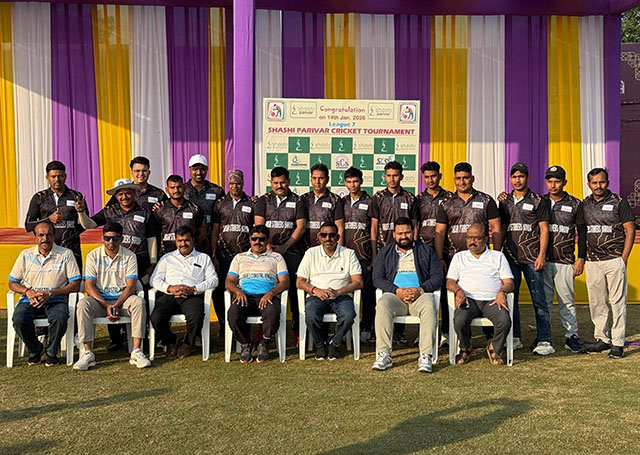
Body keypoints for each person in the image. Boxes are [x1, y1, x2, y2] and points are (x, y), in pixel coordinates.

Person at [77, 178, 159, 351]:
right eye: (120, 194)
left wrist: (153, 263)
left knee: (138, 298)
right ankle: (115, 340)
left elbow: (151, 238)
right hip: (111, 262)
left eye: (128, 193)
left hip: (139, 261)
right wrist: (81, 212)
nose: (124, 196)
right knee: (110, 292)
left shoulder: (145, 212)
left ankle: (140, 339)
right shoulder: (109, 211)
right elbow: (89, 224)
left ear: (134, 193)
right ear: (116, 196)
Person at [73, 222, 151, 370]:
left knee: (139, 302)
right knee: (83, 304)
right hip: (100, 301)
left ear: (121, 239)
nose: (111, 242)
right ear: (102, 239)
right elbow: (89, 285)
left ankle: (136, 351)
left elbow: (131, 286)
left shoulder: (129, 256)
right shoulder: (93, 256)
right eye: (107, 238)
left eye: (115, 239)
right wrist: (106, 305)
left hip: (123, 300)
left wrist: (116, 305)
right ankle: (87, 353)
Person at [371, 217, 443, 373]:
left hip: (420, 295)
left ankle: (425, 356)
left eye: (407, 232)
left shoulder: (426, 251)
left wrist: (420, 289)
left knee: (429, 304)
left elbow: (438, 277)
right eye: (400, 233)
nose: (403, 236)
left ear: (413, 232)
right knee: (383, 304)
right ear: (394, 235)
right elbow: (377, 278)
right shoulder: (385, 252)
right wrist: (396, 290)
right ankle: (383, 354)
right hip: (395, 295)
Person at [8, 221, 81, 366]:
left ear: (54, 236)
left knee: (60, 317)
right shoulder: (25, 255)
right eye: (41, 235)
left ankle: (51, 352)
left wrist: (51, 293)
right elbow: (12, 283)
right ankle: (35, 350)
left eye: (48, 235)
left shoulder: (65, 254)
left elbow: (75, 284)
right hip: (30, 299)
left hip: (56, 299)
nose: (45, 238)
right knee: (19, 319)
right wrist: (28, 292)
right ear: (35, 237)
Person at [498, 162, 553, 356]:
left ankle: (545, 339)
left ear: (527, 178)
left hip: (532, 258)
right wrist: (497, 255)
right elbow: (500, 229)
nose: (517, 180)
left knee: (539, 300)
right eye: (514, 177)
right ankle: (514, 337)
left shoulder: (538, 201)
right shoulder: (504, 201)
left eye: (521, 176)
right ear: (510, 179)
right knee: (510, 299)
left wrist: (541, 255)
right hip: (510, 258)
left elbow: (544, 229)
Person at [582, 168, 635, 358]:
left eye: (602, 182)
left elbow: (630, 230)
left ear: (608, 182)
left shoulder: (619, 202)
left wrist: (624, 258)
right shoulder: (584, 204)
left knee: (617, 302)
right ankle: (602, 339)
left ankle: (618, 342)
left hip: (614, 259)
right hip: (592, 261)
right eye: (594, 183)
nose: (598, 186)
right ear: (589, 184)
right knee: (597, 302)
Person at [446, 224, 515, 365]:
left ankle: (494, 348)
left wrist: (502, 291)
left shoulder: (498, 256)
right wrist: (458, 291)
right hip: (468, 300)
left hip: (492, 300)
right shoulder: (459, 257)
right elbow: (450, 282)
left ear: (485, 239)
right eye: (469, 238)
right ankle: (466, 348)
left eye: (476, 238)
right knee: (459, 320)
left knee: (504, 321)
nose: (472, 241)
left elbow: (509, 282)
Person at [254, 166, 306, 345]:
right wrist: (268, 246)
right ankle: (264, 330)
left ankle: (297, 329)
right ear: (271, 183)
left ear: (288, 182)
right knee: (265, 288)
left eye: (282, 182)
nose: (279, 186)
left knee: (295, 293)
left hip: (291, 252)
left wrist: (285, 247)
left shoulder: (298, 200)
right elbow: (259, 227)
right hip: (266, 253)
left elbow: (300, 227)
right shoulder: (263, 200)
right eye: (275, 183)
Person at [297, 222, 363, 360]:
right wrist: (316, 290)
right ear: (319, 237)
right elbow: (300, 282)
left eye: (332, 235)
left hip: (341, 295)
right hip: (316, 296)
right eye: (324, 235)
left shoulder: (348, 253)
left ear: (338, 237)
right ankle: (320, 345)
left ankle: (335, 343)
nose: (328, 238)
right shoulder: (311, 253)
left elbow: (358, 282)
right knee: (311, 315)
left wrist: (338, 292)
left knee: (348, 315)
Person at [150, 226, 218, 358]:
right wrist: (170, 288)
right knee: (156, 317)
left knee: (196, 316)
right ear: (175, 241)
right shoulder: (166, 258)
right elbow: (154, 279)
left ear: (193, 240)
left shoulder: (203, 258)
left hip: (192, 296)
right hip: (170, 295)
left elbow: (214, 280)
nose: (183, 244)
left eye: (186, 240)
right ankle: (170, 341)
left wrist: (194, 289)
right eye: (179, 241)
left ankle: (187, 344)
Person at [226, 225, 289, 363]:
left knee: (272, 312)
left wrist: (271, 293)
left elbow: (285, 282)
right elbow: (229, 282)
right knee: (233, 314)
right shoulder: (239, 258)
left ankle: (264, 343)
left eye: (262, 239)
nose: (257, 242)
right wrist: (237, 291)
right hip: (244, 296)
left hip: (267, 296)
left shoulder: (276, 257)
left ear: (267, 240)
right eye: (254, 239)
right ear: (250, 239)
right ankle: (245, 344)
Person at [371, 161, 418, 345]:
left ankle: (399, 333)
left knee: (404, 284)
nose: (392, 179)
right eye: (389, 175)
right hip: (384, 251)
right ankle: (377, 331)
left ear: (401, 176)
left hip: (406, 251)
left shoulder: (410, 198)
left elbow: (415, 226)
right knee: (385, 291)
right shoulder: (378, 197)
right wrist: (374, 254)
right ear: (385, 177)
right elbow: (374, 227)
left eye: (395, 175)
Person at [542, 166, 587, 353]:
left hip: (565, 260)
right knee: (543, 302)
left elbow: (582, 232)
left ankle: (571, 336)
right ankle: (544, 337)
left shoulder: (575, 204)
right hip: (542, 261)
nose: (553, 185)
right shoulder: (540, 202)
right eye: (550, 181)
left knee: (566, 302)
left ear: (564, 182)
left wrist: (581, 258)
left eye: (557, 181)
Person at [211, 169, 254, 342]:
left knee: (244, 289)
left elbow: (255, 230)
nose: (235, 186)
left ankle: (244, 327)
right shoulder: (220, 203)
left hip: (244, 257)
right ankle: (223, 325)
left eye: (238, 183)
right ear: (228, 184)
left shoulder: (251, 203)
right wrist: (214, 254)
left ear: (243, 184)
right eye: (232, 183)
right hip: (223, 255)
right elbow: (215, 230)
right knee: (221, 290)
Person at [25, 160, 87, 271]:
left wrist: (73, 230)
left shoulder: (76, 196)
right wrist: (48, 220)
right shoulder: (39, 197)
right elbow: (28, 225)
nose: (57, 179)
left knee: (74, 281)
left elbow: (87, 224)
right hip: (47, 251)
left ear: (65, 176)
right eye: (53, 176)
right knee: (48, 280)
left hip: (72, 251)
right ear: (47, 177)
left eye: (60, 176)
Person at [417, 161, 453, 346]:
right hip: (423, 252)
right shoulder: (418, 199)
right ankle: (423, 333)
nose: (430, 180)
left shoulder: (450, 198)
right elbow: (415, 226)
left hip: (445, 252)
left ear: (439, 176)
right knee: (423, 291)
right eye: (426, 177)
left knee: (445, 293)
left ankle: (446, 332)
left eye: (433, 176)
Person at [342, 167, 377, 344]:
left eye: (355, 181)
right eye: (349, 182)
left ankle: (366, 328)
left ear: (361, 182)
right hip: (345, 257)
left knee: (368, 295)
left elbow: (373, 229)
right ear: (345, 183)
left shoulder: (370, 201)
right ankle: (346, 329)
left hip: (364, 255)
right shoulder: (341, 202)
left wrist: (374, 255)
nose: (352, 185)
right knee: (345, 294)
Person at [153, 175, 205, 256]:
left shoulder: (195, 208)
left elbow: (202, 232)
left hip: (190, 255)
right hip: (167, 256)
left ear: (184, 188)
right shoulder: (159, 209)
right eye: (172, 187)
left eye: (179, 187)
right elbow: (154, 234)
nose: (176, 190)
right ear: (167, 190)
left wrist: (192, 248)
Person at [184, 154, 226, 252]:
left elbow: (228, 206)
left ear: (207, 170)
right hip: (187, 241)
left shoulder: (216, 190)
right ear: (189, 170)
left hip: (211, 240)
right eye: (195, 169)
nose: (199, 172)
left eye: (202, 169)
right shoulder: (182, 190)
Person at [301, 163, 345, 247]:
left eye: (321, 178)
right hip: (304, 247)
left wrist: (339, 249)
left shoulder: (335, 199)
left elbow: (340, 228)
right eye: (314, 178)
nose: (317, 182)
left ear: (327, 179)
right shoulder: (303, 199)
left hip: (327, 247)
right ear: (311, 179)